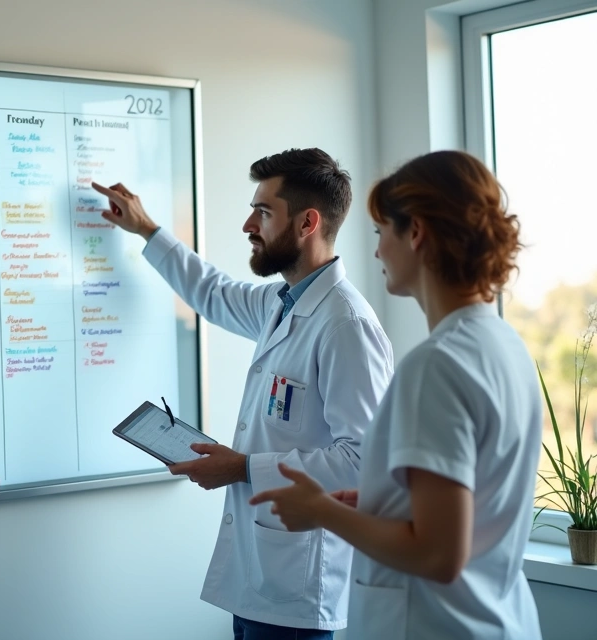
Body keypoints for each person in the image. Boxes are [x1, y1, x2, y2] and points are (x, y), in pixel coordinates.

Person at [94, 148, 394, 639]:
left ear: (307, 223)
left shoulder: (345, 325)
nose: (248, 225)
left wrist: (241, 467)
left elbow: (364, 461)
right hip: (260, 578)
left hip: (298, 589)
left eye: (263, 211)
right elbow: (211, 293)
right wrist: (147, 229)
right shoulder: (281, 303)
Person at [251, 150, 542, 639]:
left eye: (380, 232)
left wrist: (322, 511)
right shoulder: (503, 345)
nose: (378, 251)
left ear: (417, 234)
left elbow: (436, 554)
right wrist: (381, 501)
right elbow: (477, 505)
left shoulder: (437, 365)